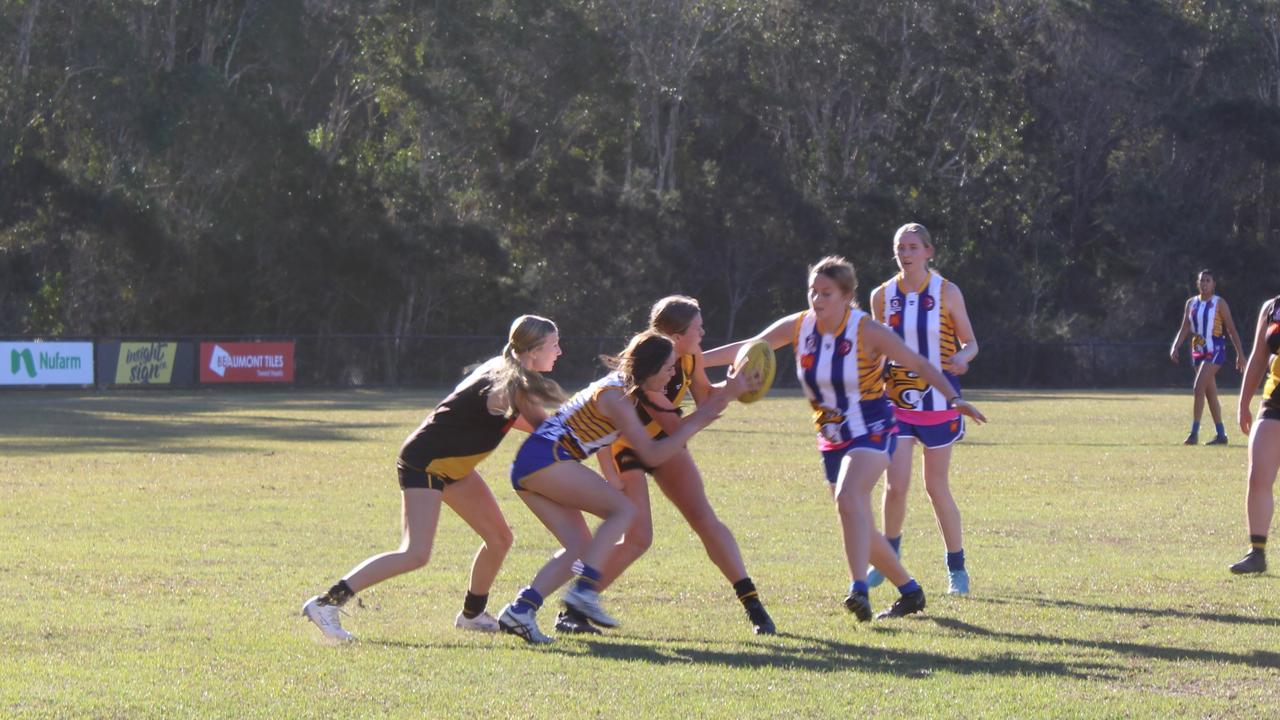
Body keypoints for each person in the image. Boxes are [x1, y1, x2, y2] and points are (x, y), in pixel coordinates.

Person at [705, 256, 985, 621]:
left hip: (873, 427)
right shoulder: (800, 325)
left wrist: (953, 397)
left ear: (846, 295)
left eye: (826, 293)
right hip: (831, 435)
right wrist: (692, 358)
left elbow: (918, 364)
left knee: (848, 496)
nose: (817, 300)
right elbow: (749, 348)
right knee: (856, 519)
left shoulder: (866, 330)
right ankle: (911, 591)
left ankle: (858, 589)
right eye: (812, 291)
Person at [301, 315, 566, 642]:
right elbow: (549, 429)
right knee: (415, 553)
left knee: (499, 538)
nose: (560, 351)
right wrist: (604, 420)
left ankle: (472, 615)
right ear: (535, 349)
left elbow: (520, 421)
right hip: (425, 462)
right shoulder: (514, 383)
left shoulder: (507, 371)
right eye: (554, 344)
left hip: (452, 466)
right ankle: (326, 603)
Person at [497, 331, 746, 643]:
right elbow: (653, 453)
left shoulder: (623, 388)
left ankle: (522, 610)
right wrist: (706, 414)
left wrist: (610, 475)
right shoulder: (617, 395)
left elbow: (599, 433)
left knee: (579, 545)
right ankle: (585, 591)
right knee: (624, 511)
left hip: (532, 463)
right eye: (668, 367)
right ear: (651, 368)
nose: (672, 374)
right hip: (545, 460)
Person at [555, 296, 776, 636]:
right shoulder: (649, 363)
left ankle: (754, 606)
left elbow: (704, 398)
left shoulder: (689, 356)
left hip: (665, 442)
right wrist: (730, 392)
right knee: (639, 537)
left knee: (704, 518)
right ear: (675, 334)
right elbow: (677, 425)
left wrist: (738, 384)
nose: (703, 333)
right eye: (697, 329)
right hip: (627, 446)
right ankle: (577, 603)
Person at [865, 223, 979, 596]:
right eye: (900, 247)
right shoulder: (882, 295)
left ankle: (956, 568)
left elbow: (971, 342)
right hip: (895, 402)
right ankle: (888, 562)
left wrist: (963, 357)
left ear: (929, 251)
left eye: (913, 247)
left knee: (935, 487)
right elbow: (878, 347)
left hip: (940, 401)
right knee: (895, 486)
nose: (906, 253)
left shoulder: (947, 292)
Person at [1230, 295, 1280, 574]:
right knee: (1258, 475)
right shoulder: (1272, 308)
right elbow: (1260, 357)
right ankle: (1256, 553)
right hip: (1276, 400)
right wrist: (1243, 403)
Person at [1170, 269, 1244, 445]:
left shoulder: (1219, 303)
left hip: (1215, 348)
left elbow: (1231, 330)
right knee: (1210, 393)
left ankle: (1194, 433)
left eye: (1208, 281)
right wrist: (1175, 345)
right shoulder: (1191, 303)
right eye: (1202, 281)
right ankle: (1221, 435)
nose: (1204, 284)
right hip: (1198, 348)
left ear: (1214, 284)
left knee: (1198, 387)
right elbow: (1185, 327)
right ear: (1198, 283)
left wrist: (1240, 354)